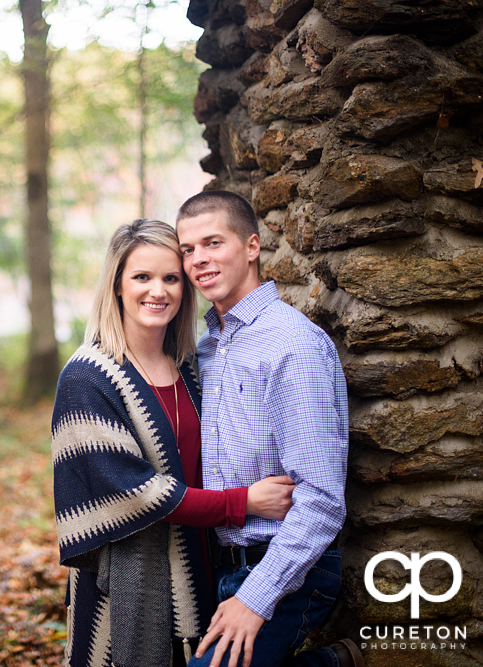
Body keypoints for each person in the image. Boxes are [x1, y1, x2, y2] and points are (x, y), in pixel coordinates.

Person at [52, 219, 297, 667]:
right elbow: (136, 491)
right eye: (141, 277)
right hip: (129, 576)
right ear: (117, 286)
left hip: (203, 562)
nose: (157, 291)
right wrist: (242, 502)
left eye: (171, 278)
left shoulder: (189, 366)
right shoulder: (87, 377)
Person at [176, 191, 362, 667]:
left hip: (289, 569)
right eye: (187, 249)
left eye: (213, 243)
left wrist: (254, 599)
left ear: (253, 246)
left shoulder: (293, 344)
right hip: (221, 565)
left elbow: (321, 500)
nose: (199, 260)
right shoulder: (205, 348)